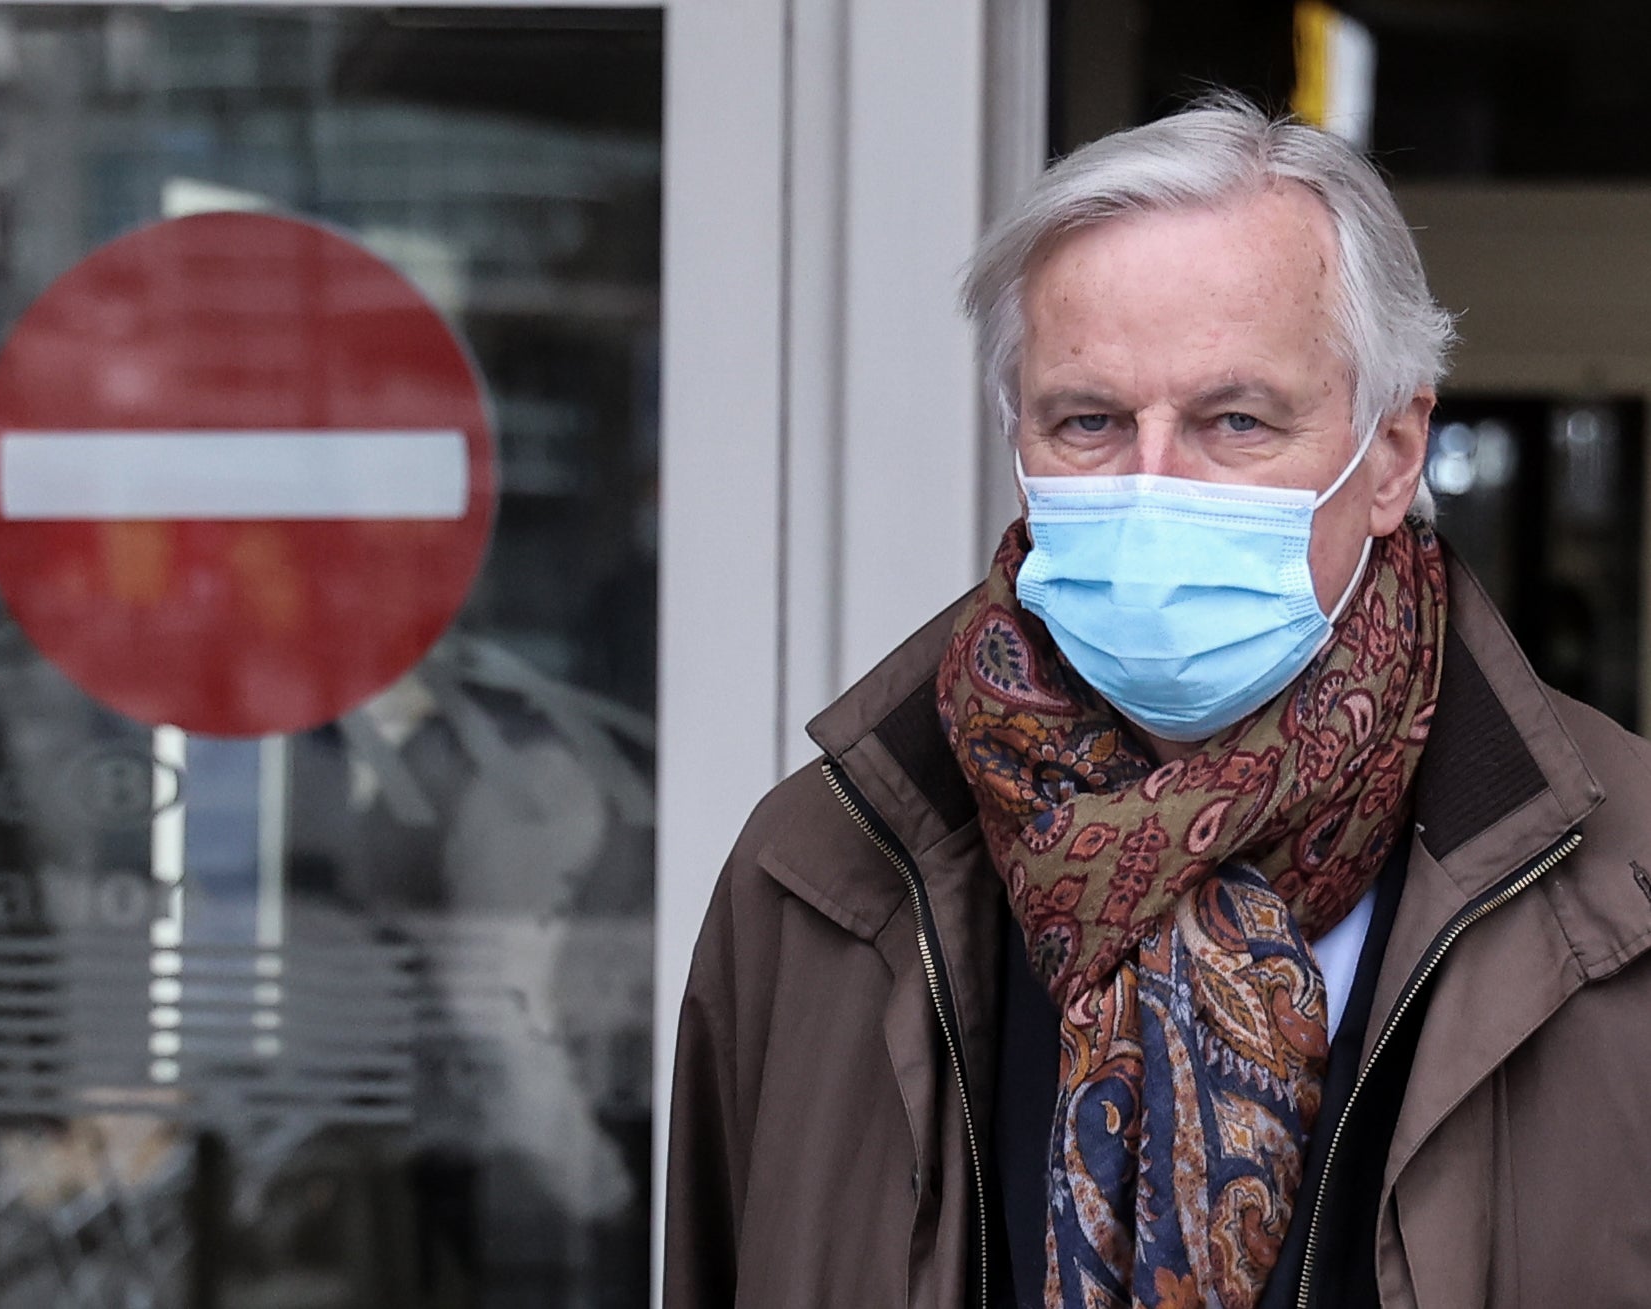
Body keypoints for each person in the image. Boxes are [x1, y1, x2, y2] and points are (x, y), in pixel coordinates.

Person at [663, 94, 1651, 1309]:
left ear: (1390, 457)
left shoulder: (1621, 896)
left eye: (1234, 420)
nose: (1151, 485)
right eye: (1087, 421)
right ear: (1015, 439)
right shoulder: (815, 878)